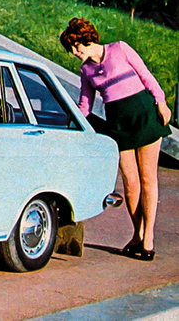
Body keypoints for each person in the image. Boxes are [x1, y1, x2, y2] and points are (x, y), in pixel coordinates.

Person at [60, 17, 171, 261]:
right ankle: (137, 234)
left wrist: (161, 102)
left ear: (86, 39)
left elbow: (146, 75)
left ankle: (148, 238)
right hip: (118, 124)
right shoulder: (86, 70)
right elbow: (85, 105)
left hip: (144, 115)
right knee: (130, 183)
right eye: (71, 49)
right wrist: (69, 120)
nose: (75, 52)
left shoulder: (120, 48)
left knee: (147, 178)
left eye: (76, 46)